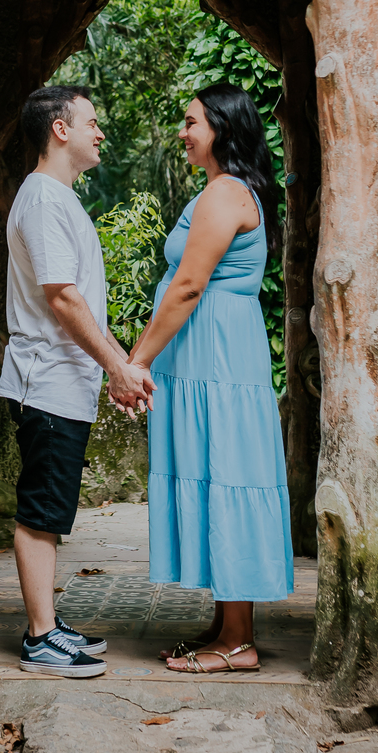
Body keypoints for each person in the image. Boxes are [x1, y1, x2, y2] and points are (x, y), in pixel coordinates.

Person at [129, 84, 293, 674]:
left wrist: (137, 360)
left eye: (192, 121)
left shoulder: (225, 195)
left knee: (227, 474)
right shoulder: (221, 190)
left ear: (222, 128)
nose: (183, 130)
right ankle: (228, 624)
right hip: (209, 360)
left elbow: (189, 286)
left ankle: (239, 641)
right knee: (216, 473)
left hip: (218, 364)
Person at [0, 84, 155, 677]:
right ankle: (40, 640)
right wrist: (117, 366)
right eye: (92, 121)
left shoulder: (58, 198)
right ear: (59, 129)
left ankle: (49, 625)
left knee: (51, 508)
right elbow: (62, 300)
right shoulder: (42, 200)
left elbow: (81, 302)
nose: (100, 132)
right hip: (45, 382)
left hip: (64, 380)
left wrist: (120, 367)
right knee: (41, 509)